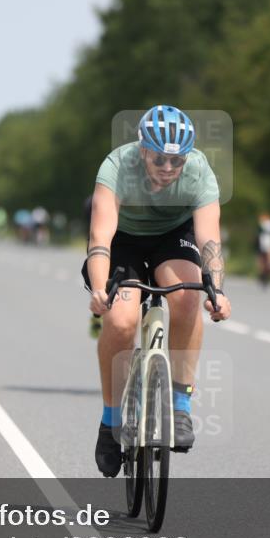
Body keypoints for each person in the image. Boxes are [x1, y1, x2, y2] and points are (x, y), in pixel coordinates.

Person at [83, 104, 232, 478]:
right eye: (160, 159)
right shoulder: (116, 167)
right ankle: (110, 420)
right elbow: (100, 236)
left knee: (187, 297)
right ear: (142, 149)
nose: (168, 169)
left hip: (172, 236)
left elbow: (210, 239)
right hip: (124, 240)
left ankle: (180, 405)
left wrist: (217, 289)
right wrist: (100, 289)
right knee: (120, 321)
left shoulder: (198, 170)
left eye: (176, 161)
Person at [256, 213, 270, 288]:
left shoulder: (267, 224)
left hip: (268, 245)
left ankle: (268, 270)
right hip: (264, 245)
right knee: (264, 261)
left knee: (267, 261)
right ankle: (264, 274)